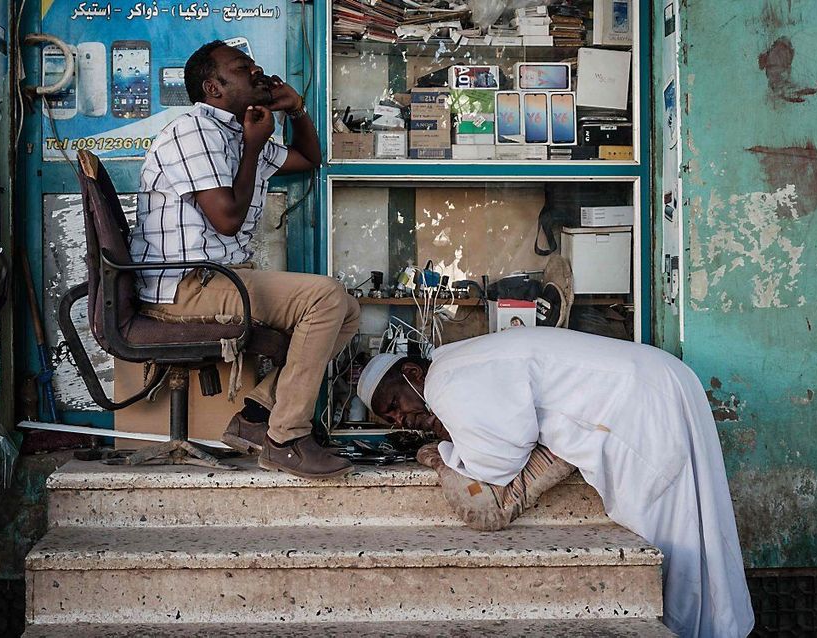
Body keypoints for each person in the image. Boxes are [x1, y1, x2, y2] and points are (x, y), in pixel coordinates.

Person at [356, 328, 754, 638]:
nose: (398, 421)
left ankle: (691, 630)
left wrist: (440, 452)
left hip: (639, 405)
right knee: (697, 525)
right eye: (388, 420)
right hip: (656, 382)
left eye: (393, 406)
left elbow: (495, 466)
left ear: (411, 374)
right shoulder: (456, 363)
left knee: (677, 539)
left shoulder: (444, 383)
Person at [129, 41, 359, 479]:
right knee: (325, 297)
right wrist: (254, 147)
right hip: (186, 287)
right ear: (214, 87)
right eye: (243, 69)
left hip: (221, 279)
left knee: (347, 311)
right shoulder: (194, 131)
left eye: (255, 67)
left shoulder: (238, 130)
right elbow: (227, 219)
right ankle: (286, 438)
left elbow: (309, 159)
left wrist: (295, 110)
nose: (257, 74)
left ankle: (257, 418)